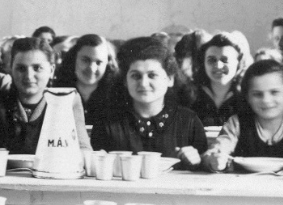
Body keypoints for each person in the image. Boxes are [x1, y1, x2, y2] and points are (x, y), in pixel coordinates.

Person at [91, 36, 206, 168]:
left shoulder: (189, 122)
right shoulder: (106, 122)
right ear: (125, 81)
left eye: (152, 75)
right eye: (135, 76)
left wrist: (197, 161)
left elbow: (205, 172)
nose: (144, 84)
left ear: (169, 79)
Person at [0, 37, 90, 156]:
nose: (29, 76)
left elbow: (83, 147)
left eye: (37, 68)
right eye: (21, 68)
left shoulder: (68, 100)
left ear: (51, 70)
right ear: (11, 69)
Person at [204, 58, 283, 171]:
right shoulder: (237, 124)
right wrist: (215, 159)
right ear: (247, 97)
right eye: (257, 94)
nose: (266, 100)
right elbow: (218, 149)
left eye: (274, 92)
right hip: (243, 186)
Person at [53, 33, 120, 127]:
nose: (92, 68)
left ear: (107, 64)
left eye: (99, 62)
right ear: (74, 59)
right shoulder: (56, 91)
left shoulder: (117, 96)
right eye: (85, 60)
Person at [188, 32, 248, 127]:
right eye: (211, 60)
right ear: (203, 63)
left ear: (238, 63)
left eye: (225, 60)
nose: (218, 66)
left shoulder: (246, 97)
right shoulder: (190, 95)